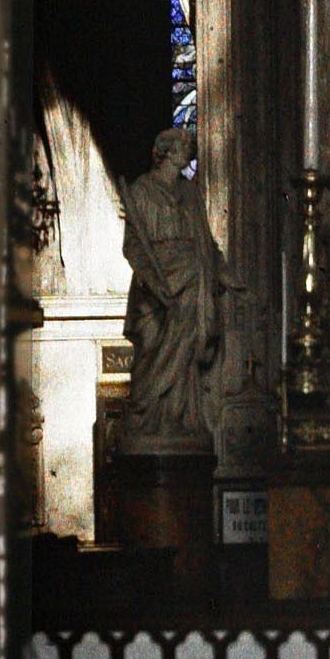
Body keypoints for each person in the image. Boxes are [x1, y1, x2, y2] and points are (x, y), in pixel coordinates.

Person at [119, 126, 231, 447]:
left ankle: (179, 419)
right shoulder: (141, 190)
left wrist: (224, 275)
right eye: (183, 147)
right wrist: (153, 281)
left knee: (184, 357)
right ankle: (146, 417)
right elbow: (133, 245)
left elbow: (206, 244)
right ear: (166, 153)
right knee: (152, 349)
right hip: (155, 284)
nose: (189, 151)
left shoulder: (190, 193)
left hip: (190, 280)